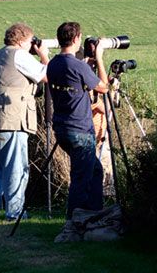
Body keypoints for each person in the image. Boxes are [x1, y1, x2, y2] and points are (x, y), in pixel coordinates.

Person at [0, 23, 49, 221]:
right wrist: (43, 54)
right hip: (11, 119)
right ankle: (15, 212)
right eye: (31, 41)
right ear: (23, 41)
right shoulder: (20, 55)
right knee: (15, 168)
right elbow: (45, 76)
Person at [46, 22, 109, 240]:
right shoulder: (78, 66)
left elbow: (72, 77)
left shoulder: (53, 64)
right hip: (80, 129)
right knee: (81, 178)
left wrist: (83, 65)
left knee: (95, 172)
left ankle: (91, 219)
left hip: (62, 128)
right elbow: (103, 86)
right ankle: (71, 227)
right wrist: (99, 57)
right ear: (76, 39)